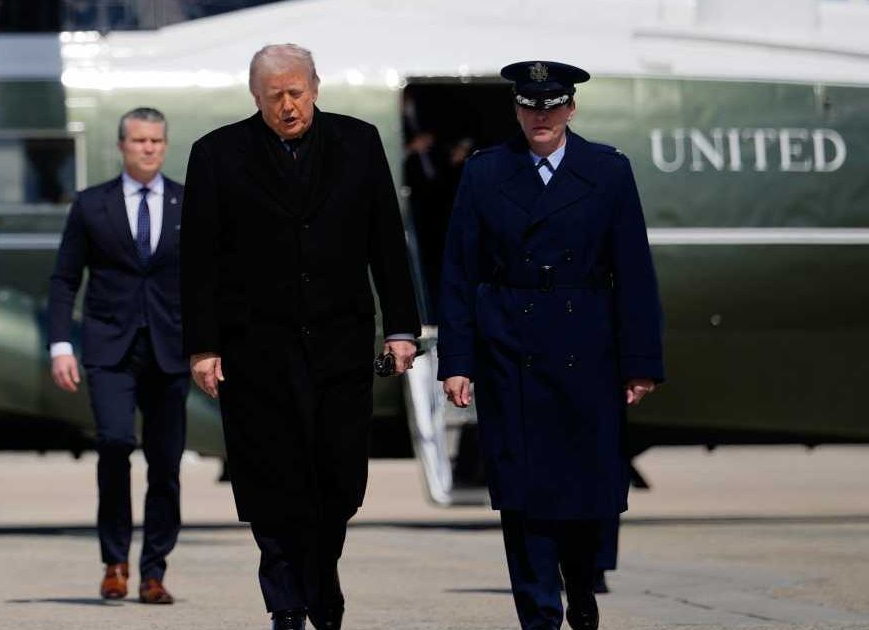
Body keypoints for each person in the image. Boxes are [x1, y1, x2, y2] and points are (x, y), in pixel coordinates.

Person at [181, 44, 421, 630]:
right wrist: (204, 346)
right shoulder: (216, 154)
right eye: (273, 97)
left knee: (338, 478)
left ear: (315, 86)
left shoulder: (358, 143)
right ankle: (287, 600)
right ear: (255, 98)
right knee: (273, 478)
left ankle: (321, 573)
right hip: (255, 348)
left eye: (296, 93)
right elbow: (198, 261)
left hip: (341, 340)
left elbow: (387, 241)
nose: (287, 107)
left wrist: (402, 328)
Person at [438, 60, 664, 630]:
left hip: (587, 347)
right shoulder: (486, 173)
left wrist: (640, 363)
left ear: (571, 108)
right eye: (530, 107)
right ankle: (538, 613)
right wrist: (457, 361)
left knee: (587, 492)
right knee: (521, 493)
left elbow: (634, 272)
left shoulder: (607, 170)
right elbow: (459, 273)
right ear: (516, 110)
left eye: (553, 106)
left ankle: (582, 592)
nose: (542, 116)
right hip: (509, 346)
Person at [47, 107, 186, 605]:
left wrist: (212, 346)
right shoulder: (91, 205)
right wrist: (61, 343)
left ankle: (154, 570)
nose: (148, 148)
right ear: (122, 145)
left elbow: (208, 282)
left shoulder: (185, 203)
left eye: (156, 141)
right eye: (139, 140)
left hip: (171, 349)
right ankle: (114, 562)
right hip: (110, 348)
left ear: (164, 146)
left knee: (166, 464)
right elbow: (65, 279)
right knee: (114, 444)